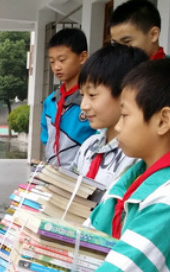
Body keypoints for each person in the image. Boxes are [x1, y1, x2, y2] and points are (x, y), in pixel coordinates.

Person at [12, 58, 170, 272]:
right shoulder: (132, 179)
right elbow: (85, 242)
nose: (119, 127)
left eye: (125, 115)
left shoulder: (165, 201)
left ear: (162, 120)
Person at [71, 44, 149, 187]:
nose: (83, 105)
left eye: (92, 95)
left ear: (126, 94)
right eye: (82, 95)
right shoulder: (89, 146)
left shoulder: (137, 155)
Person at [41, 28, 97, 168]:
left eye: (62, 60)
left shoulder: (92, 101)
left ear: (82, 57)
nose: (56, 67)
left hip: (83, 175)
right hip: (54, 173)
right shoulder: (51, 101)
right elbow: (46, 137)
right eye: (52, 62)